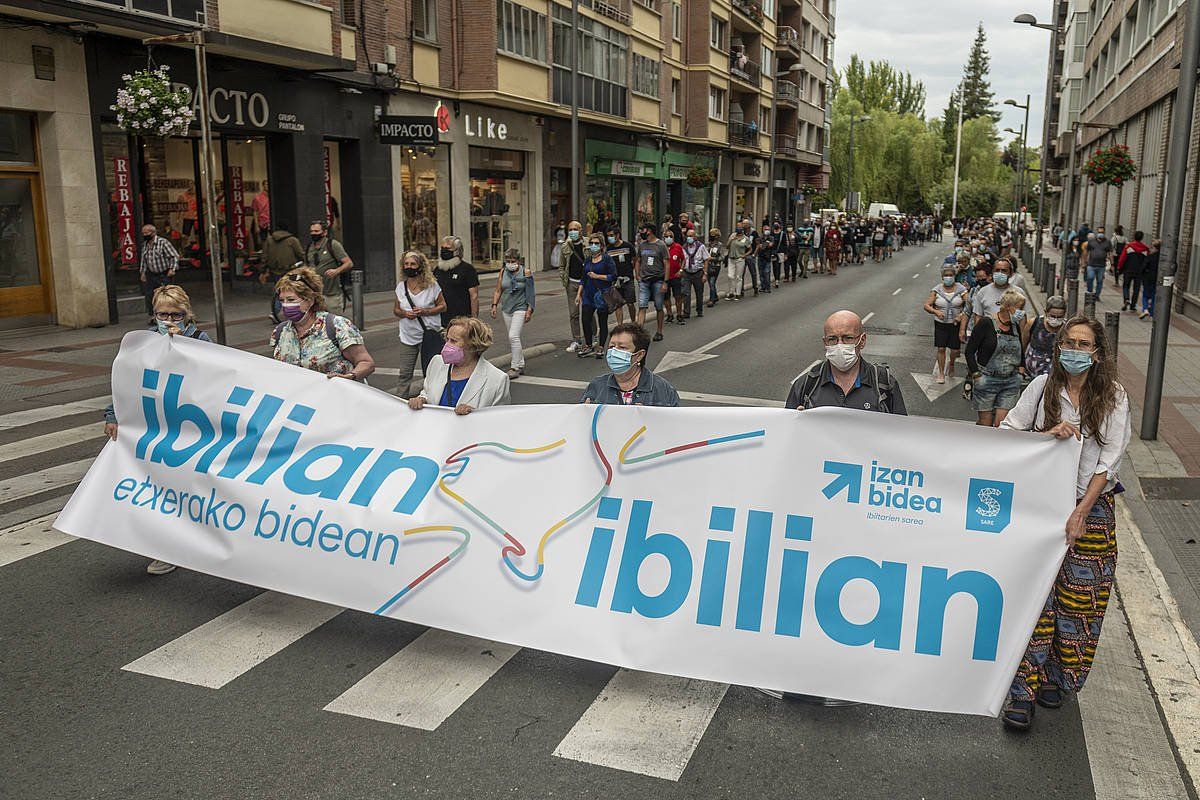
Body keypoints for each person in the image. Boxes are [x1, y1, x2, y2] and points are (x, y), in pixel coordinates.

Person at [999, 316, 1130, 730]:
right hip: (1040, 507)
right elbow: (1007, 433)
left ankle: (1059, 675)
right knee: (1035, 599)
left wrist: (1080, 512)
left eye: (1083, 344)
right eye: (1068, 342)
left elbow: (1108, 463)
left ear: (1097, 352)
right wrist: (1043, 436)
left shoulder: (1112, 397)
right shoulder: (1041, 389)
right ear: (1058, 349)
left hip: (1091, 508)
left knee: (1080, 599)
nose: (1075, 350)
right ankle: (1022, 694)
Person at [104, 284, 211, 576]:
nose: (168, 321)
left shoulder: (201, 340)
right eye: (162, 315)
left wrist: (183, 348)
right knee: (158, 487)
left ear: (186, 314)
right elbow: (125, 381)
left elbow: (214, 381)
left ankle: (195, 540)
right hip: (154, 427)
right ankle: (165, 548)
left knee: (186, 487)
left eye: (175, 315)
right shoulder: (144, 342)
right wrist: (113, 415)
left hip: (188, 428)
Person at [785, 310, 908, 414]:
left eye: (848, 338)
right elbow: (786, 433)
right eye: (832, 339)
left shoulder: (884, 384)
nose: (840, 345)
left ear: (862, 340)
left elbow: (902, 433)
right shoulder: (806, 385)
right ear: (825, 342)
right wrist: (797, 421)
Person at [271, 267, 375, 381]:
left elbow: (366, 363)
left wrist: (350, 376)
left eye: (291, 300)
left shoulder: (337, 326)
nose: (285, 305)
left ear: (310, 300)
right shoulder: (280, 331)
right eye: (282, 300)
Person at [409, 316, 510, 414]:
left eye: (453, 341)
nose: (447, 345)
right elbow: (426, 393)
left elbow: (499, 418)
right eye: (447, 339)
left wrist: (475, 414)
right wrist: (421, 400)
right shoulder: (436, 363)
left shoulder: (497, 379)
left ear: (472, 345)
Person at [965, 290, 1028, 427]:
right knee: (985, 425)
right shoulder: (986, 323)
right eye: (1019, 308)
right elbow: (969, 351)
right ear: (1008, 307)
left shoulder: (1016, 327)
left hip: (1010, 382)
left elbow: (1021, 351)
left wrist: (1021, 373)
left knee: (1002, 426)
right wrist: (976, 375)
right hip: (987, 380)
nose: (1022, 312)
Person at [580, 322, 680, 406]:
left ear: (639, 355)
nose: (614, 352)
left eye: (622, 348)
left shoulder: (663, 389)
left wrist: (650, 418)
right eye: (611, 346)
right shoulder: (596, 386)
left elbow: (675, 425)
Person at [393, 251, 447, 397]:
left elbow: (443, 306)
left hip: (428, 336)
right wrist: (405, 314)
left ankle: (432, 399)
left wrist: (426, 311)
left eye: (413, 264)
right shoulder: (401, 287)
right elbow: (396, 310)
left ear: (420, 266)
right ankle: (400, 402)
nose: (409, 267)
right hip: (407, 336)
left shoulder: (432, 286)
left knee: (430, 372)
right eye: (406, 264)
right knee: (404, 373)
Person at [491, 247, 534, 379]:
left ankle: (515, 367)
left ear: (518, 261)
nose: (510, 263)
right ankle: (520, 364)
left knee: (513, 336)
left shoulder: (525, 272)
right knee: (513, 338)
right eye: (508, 260)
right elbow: (498, 290)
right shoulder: (503, 271)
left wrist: (529, 310)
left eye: (513, 260)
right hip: (506, 308)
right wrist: (494, 305)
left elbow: (531, 293)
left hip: (520, 307)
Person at [924, 266, 969, 384]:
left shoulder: (961, 289)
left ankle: (952, 363)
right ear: (942, 277)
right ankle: (941, 373)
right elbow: (927, 305)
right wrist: (936, 311)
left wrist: (961, 315)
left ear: (954, 276)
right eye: (946, 276)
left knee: (954, 350)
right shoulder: (936, 290)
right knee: (941, 348)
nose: (948, 277)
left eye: (951, 275)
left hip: (955, 324)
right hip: (941, 324)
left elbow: (969, 304)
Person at [576, 232, 616, 358]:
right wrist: (579, 294)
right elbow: (583, 278)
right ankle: (588, 345)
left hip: (602, 294)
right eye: (592, 243)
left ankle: (601, 347)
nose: (593, 245)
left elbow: (613, 276)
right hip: (588, 294)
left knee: (602, 321)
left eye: (596, 243)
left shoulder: (607, 259)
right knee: (585, 319)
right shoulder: (588, 260)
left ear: (602, 245)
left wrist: (598, 276)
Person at [262, 220, 305, 322]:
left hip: (274, 270)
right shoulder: (292, 240)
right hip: (290, 270)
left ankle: (274, 312)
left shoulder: (269, 240)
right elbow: (300, 254)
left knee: (279, 291)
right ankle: (292, 311)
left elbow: (265, 256)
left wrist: (264, 269)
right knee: (292, 291)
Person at [305, 220, 353, 310]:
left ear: (324, 232)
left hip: (331, 294)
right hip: (314, 293)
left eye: (316, 231)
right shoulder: (309, 247)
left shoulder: (333, 245)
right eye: (311, 231)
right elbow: (307, 265)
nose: (313, 234)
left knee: (332, 321)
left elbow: (349, 263)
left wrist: (336, 271)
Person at [139, 224, 180, 324]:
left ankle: (170, 315)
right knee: (151, 296)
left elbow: (174, 256)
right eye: (143, 233)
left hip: (164, 274)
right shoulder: (145, 245)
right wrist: (143, 273)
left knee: (166, 296)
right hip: (152, 274)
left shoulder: (163, 243)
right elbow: (144, 260)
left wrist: (172, 269)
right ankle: (155, 316)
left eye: (146, 233)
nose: (144, 235)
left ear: (153, 233)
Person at [635, 223, 670, 342]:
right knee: (642, 306)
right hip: (644, 281)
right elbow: (638, 260)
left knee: (659, 306)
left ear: (649, 231)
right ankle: (639, 333)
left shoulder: (661, 245)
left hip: (658, 281)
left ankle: (659, 331)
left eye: (643, 229)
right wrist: (637, 275)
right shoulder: (642, 245)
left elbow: (667, 264)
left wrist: (665, 282)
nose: (641, 232)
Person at [435, 235, 480, 320]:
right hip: (440, 318)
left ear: (457, 251)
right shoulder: (437, 270)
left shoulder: (467, 269)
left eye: (448, 249)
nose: (444, 251)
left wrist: (474, 319)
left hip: (461, 318)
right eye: (442, 248)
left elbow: (474, 296)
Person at [1025, 295, 1068, 379]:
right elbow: (1023, 343)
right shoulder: (1034, 323)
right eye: (1052, 316)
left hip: (1056, 376)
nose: (1055, 319)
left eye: (1059, 317)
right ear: (1045, 312)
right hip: (1032, 373)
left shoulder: (1067, 328)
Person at [560, 220, 586, 351]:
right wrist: (564, 279)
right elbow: (562, 265)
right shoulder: (565, 246)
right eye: (570, 230)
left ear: (581, 230)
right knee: (573, 314)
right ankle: (576, 340)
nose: (572, 232)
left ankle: (593, 337)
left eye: (575, 229)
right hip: (572, 283)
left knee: (588, 312)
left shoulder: (588, 244)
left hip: (586, 284)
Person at [606, 228, 637, 324]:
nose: (609, 238)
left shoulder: (628, 246)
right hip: (615, 281)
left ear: (617, 235)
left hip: (628, 279)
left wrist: (633, 271)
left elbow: (635, 259)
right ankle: (620, 325)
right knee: (618, 305)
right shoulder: (608, 249)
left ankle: (633, 322)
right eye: (608, 236)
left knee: (630, 303)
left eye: (611, 235)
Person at [1117, 230, 1150, 312]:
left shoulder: (1129, 247)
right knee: (1136, 289)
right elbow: (1147, 261)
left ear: (1134, 237)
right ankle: (1133, 305)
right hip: (1139, 272)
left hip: (1128, 270)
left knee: (1126, 286)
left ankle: (1126, 299)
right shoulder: (1145, 249)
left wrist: (1119, 267)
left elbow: (1122, 258)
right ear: (1142, 238)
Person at [681, 226, 710, 318]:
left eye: (691, 236)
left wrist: (705, 274)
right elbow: (682, 260)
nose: (689, 238)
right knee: (686, 293)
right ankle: (686, 312)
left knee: (699, 292)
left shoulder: (701, 247)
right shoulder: (683, 247)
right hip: (686, 273)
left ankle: (699, 310)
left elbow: (706, 260)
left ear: (695, 237)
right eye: (688, 236)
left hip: (698, 272)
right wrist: (681, 270)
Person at [663, 230, 685, 324]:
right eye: (666, 236)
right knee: (666, 297)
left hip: (676, 276)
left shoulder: (678, 247)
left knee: (678, 296)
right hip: (664, 277)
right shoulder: (661, 247)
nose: (668, 238)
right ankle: (669, 315)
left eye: (670, 236)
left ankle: (679, 314)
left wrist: (681, 270)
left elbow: (683, 260)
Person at [1084, 228, 1112, 299]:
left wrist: (1112, 264)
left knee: (1099, 281)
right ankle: (1090, 291)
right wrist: (1084, 262)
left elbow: (1110, 253)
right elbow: (1086, 251)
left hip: (1101, 266)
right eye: (1099, 232)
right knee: (1090, 278)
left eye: (1102, 232)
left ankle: (1097, 295)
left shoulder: (1108, 242)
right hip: (1091, 264)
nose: (1101, 233)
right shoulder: (1091, 241)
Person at [726, 222, 751, 299]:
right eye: (737, 227)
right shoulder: (732, 235)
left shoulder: (745, 238)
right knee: (730, 276)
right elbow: (727, 246)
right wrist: (731, 240)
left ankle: (738, 293)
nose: (738, 228)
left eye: (740, 227)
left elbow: (750, 249)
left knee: (738, 277)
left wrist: (745, 255)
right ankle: (731, 292)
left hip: (740, 259)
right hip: (731, 258)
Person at [705, 228, 726, 308]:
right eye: (711, 234)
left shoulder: (719, 245)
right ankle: (715, 296)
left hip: (715, 266)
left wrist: (713, 258)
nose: (712, 236)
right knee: (710, 283)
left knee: (712, 282)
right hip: (707, 266)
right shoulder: (708, 244)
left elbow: (722, 257)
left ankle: (712, 299)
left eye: (713, 235)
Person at [1141, 239, 1161, 319]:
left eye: (1151, 247)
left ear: (1155, 248)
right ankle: (1152, 313)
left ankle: (1145, 309)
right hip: (1157, 279)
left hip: (1148, 278)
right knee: (1153, 296)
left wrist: (1142, 273)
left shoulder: (1150, 257)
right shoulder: (1163, 258)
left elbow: (1143, 267)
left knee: (1145, 295)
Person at [755, 221, 776, 293]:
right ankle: (763, 287)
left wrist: (764, 245)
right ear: (763, 230)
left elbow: (770, 245)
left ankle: (768, 287)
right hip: (760, 257)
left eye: (768, 229)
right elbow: (760, 246)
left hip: (767, 257)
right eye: (765, 229)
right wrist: (766, 244)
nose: (767, 231)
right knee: (761, 273)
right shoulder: (759, 238)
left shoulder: (772, 238)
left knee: (767, 272)